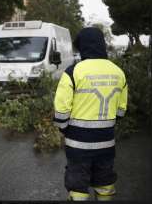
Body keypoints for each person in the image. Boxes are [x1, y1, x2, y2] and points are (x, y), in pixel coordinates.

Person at [53, 27, 128, 201]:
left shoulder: (73, 72)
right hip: (106, 143)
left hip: (78, 145)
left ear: (82, 47)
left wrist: (64, 129)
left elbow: (61, 110)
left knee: (78, 184)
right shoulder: (119, 72)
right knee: (104, 181)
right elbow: (121, 111)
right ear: (102, 45)